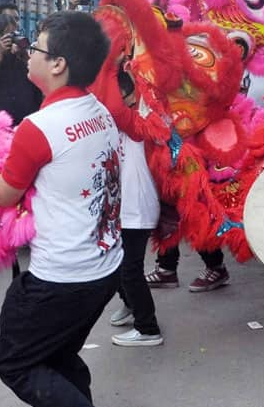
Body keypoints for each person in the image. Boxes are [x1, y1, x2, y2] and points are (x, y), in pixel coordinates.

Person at [0, 11, 121, 407]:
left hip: (61, 278)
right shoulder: (98, 111)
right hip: (104, 267)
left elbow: (3, 195)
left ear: (58, 63)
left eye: (35, 47)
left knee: (16, 364)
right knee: (58, 355)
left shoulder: (39, 127)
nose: (27, 53)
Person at [109, 70, 163, 347]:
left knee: (130, 269)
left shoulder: (141, 119)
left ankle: (148, 328)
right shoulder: (115, 119)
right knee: (115, 264)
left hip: (137, 207)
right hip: (120, 206)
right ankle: (131, 305)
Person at [0, 12, 42, 125]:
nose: (12, 38)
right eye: (8, 36)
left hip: (26, 122)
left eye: (14, 33)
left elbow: (40, 78)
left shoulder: (26, 53)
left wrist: (23, 55)